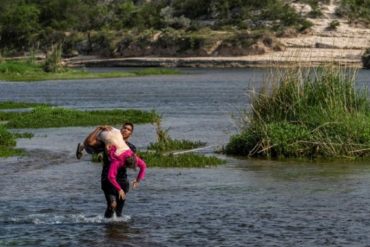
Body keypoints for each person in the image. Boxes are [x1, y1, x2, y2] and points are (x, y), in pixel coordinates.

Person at [76, 123, 147, 218]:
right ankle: (106, 224)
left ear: (131, 134)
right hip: (108, 178)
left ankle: (116, 228)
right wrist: (99, 129)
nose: (125, 130)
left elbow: (140, 164)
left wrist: (138, 180)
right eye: (124, 128)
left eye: (128, 129)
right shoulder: (107, 142)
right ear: (121, 129)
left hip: (122, 180)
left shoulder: (131, 148)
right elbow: (89, 141)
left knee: (119, 211)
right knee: (112, 205)